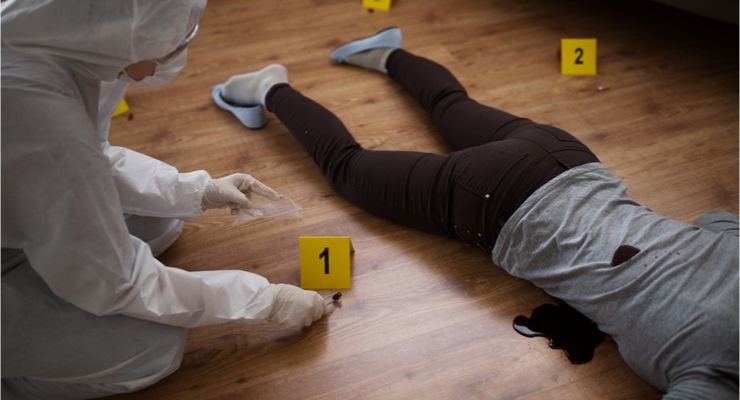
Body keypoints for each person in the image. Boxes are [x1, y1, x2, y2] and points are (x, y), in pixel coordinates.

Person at [219, 27, 739, 399]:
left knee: (451, 105)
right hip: (498, 201)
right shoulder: (717, 376)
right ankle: (267, 88)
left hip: (569, 158)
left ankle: (388, 52)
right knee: (348, 170)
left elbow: (715, 221)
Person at [1, 1, 326, 399]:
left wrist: (196, 190)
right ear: (121, 31)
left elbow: (93, 158)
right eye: (160, 50)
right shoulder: (35, 115)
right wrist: (262, 299)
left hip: (18, 216)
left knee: (162, 220)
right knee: (152, 350)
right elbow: (115, 284)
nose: (157, 68)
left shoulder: (57, 35)